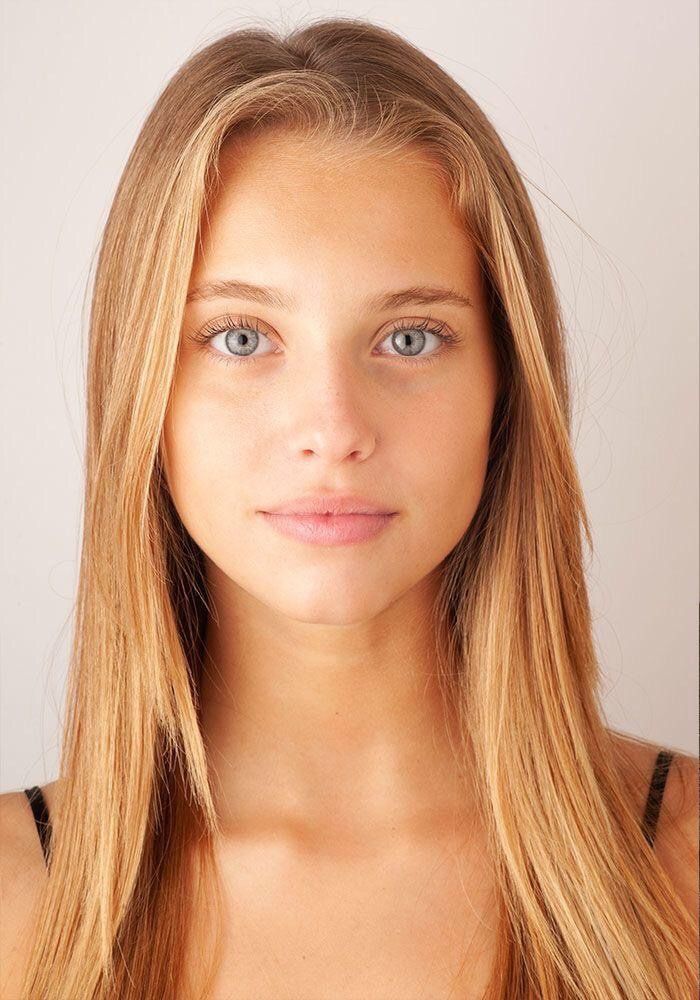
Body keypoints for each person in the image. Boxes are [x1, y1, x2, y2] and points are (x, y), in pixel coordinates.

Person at [1, 16, 697, 1000]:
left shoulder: (681, 871)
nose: (331, 428)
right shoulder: (13, 900)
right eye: (241, 337)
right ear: (141, 391)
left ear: (505, 387)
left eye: (409, 338)